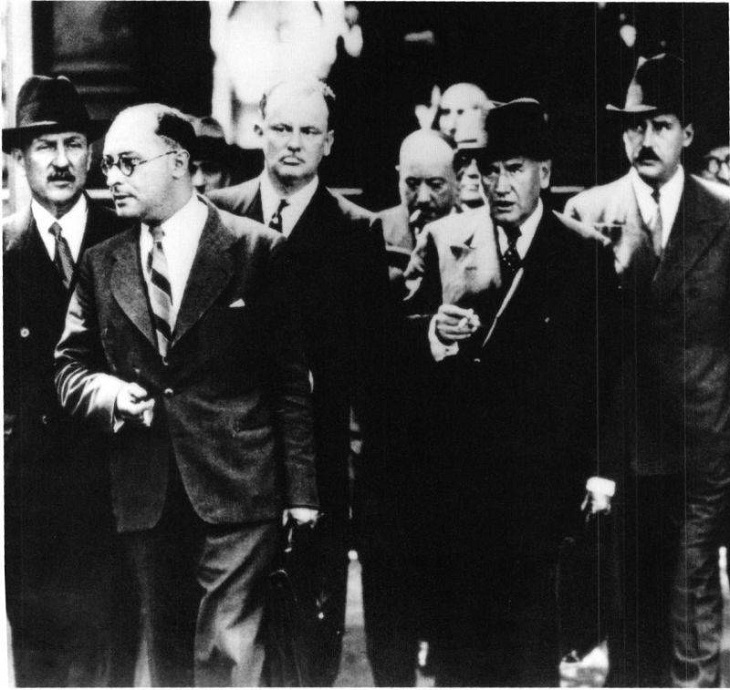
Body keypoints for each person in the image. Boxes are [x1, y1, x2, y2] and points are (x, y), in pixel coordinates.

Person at [54, 103, 319, 687]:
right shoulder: (102, 263)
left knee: (228, 652)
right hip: (145, 493)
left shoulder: (256, 250)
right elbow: (69, 367)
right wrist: (109, 394)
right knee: (165, 658)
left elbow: (289, 383)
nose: (112, 178)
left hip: (239, 491)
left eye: (128, 162)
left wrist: (302, 493)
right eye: (108, 165)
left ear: (177, 162)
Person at [418, 99, 615, 686]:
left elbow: (606, 374)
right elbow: (395, 355)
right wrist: (433, 334)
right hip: (459, 490)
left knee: (529, 654)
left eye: (515, 169)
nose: (500, 185)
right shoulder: (445, 240)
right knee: (458, 656)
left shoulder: (583, 253)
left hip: (542, 491)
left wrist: (599, 474)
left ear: (544, 174)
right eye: (489, 170)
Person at [209, 78, 388, 685]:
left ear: (328, 142)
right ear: (259, 130)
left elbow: (369, 367)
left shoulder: (356, 232)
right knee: (229, 640)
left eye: (308, 131)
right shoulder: (218, 213)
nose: (292, 142)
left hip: (318, 469)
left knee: (308, 643)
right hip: (230, 464)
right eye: (281, 128)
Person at [565, 53, 730, 687]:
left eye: (660, 125)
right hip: (621, 456)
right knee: (630, 624)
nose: (645, 140)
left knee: (692, 604)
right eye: (634, 126)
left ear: (688, 133)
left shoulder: (723, 214)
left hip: (701, 450)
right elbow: (578, 352)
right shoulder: (587, 213)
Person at [3, 75, 137, 687]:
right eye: (44, 146)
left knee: (112, 657)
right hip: (30, 499)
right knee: (40, 661)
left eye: (74, 144)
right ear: (18, 157)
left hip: (117, 489)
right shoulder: (3, 251)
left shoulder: (127, 239)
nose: (61, 161)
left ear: (91, 154)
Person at [354, 129, 458, 686]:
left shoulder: (476, 236)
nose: (422, 197)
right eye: (411, 183)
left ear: (458, 180)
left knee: (449, 611)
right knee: (388, 610)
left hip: (454, 456)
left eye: (436, 184)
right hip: (388, 454)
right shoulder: (372, 236)